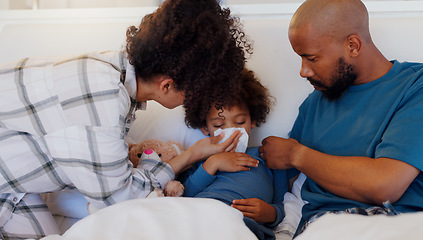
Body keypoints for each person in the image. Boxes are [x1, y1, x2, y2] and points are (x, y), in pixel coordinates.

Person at [0, 0, 252, 238]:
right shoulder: (101, 104)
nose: (195, 100)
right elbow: (121, 200)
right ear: (167, 85)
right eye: (197, 91)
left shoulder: (109, 70)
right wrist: (190, 155)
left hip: (15, 189)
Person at [259, 0, 423, 237]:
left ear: (353, 45)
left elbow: (385, 185)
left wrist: (296, 155)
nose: (304, 71)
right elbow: (284, 179)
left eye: (311, 58)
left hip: (408, 224)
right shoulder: (315, 103)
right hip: (326, 226)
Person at [181, 69, 298, 240]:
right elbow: (185, 196)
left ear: (253, 121)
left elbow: (282, 203)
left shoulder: (267, 156)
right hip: (198, 215)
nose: (231, 130)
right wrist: (213, 163)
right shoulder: (202, 158)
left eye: (240, 122)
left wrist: (270, 213)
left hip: (241, 224)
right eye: (219, 125)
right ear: (205, 128)